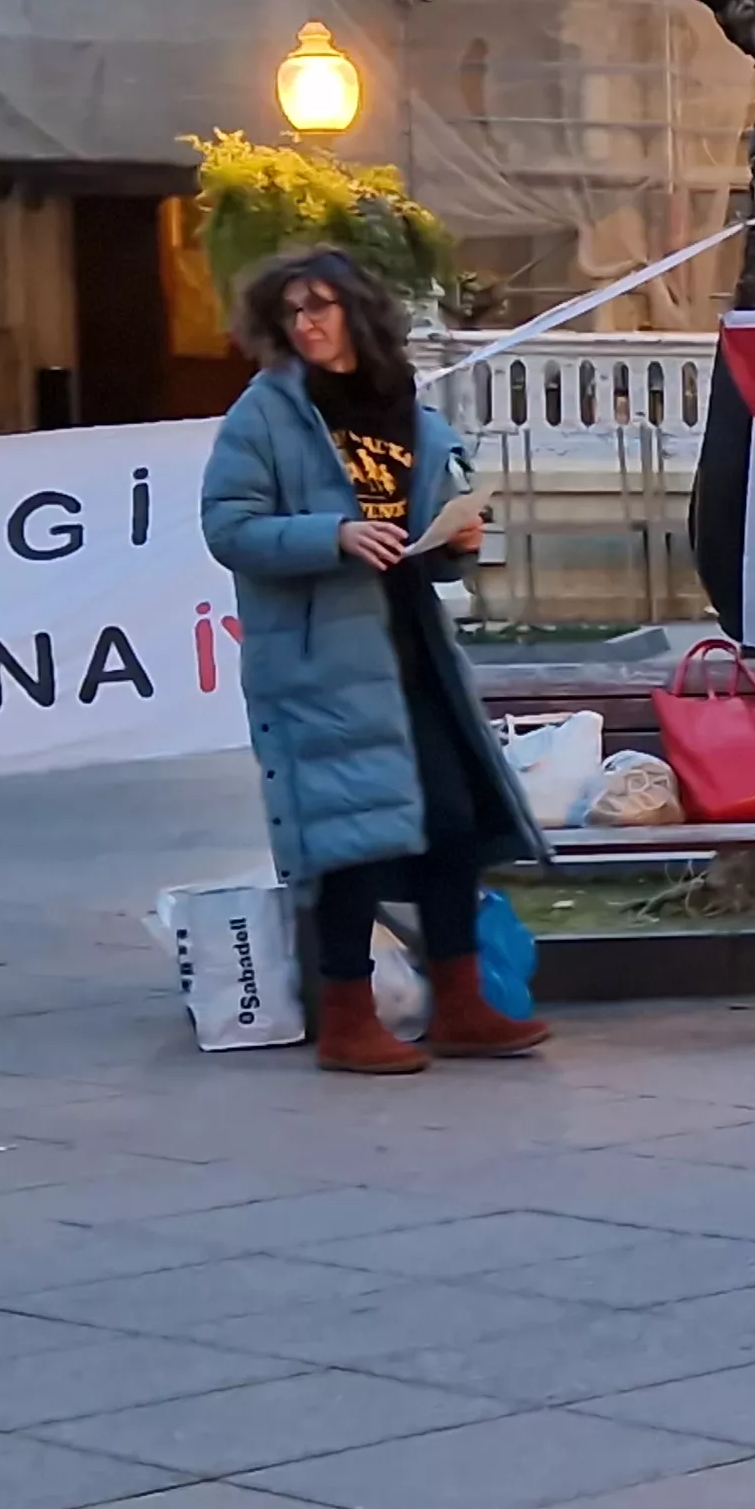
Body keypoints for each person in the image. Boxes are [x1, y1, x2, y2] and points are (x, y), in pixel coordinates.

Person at [201, 248, 553, 1075]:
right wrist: (332, 535)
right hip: (323, 655)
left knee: (452, 822)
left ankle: (462, 1004)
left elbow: (422, 539)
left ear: (359, 312)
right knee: (348, 837)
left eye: (321, 306)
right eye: (292, 312)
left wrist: (454, 541)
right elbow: (228, 526)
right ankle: (348, 1018)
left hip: (409, 643)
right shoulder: (266, 413)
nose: (307, 323)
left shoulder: (409, 414)